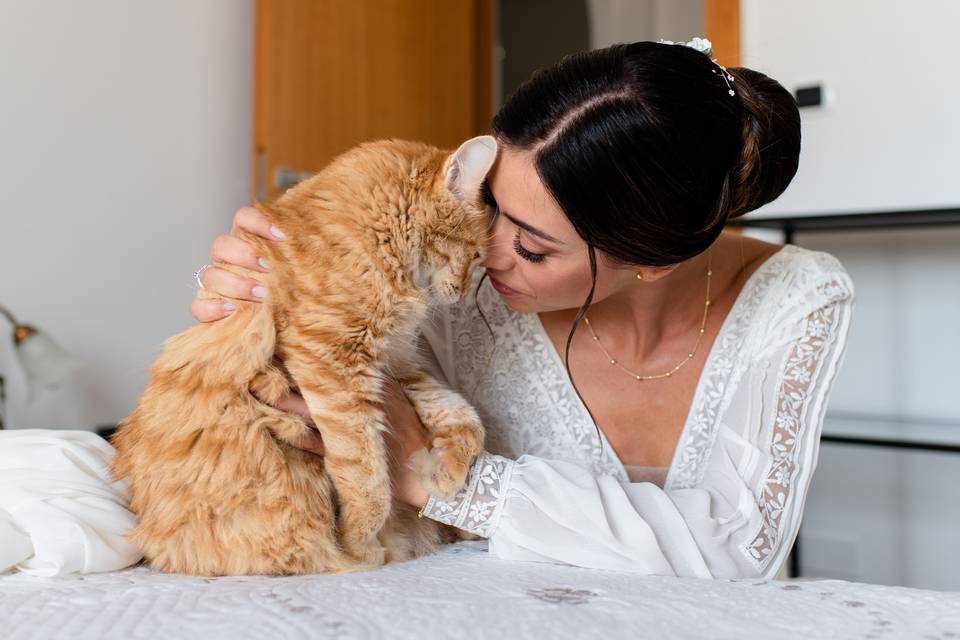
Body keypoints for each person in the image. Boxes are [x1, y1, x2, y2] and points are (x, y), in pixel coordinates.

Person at [191, 39, 855, 579]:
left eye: (533, 249)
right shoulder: (454, 278)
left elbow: (735, 553)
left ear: (652, 264)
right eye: (491, 206)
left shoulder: (794, 297)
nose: (486, 252)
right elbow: (295, 395)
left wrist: (443, 480)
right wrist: (258, 293)